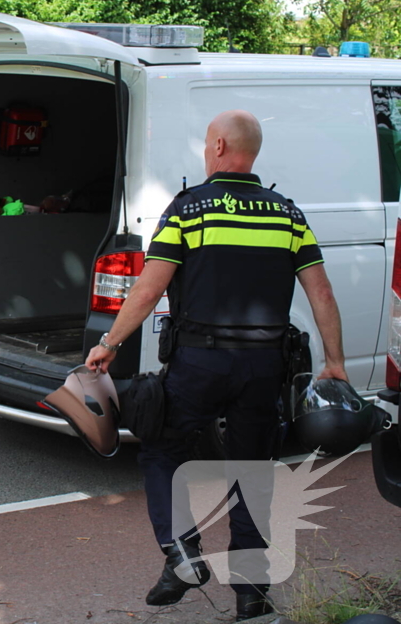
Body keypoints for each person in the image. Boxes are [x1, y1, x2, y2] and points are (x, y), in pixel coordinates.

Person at [85, 110, 347, 621]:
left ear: (222, 146)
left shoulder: (190, 211)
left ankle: (182, 554)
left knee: (163, 451)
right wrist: (334, 362)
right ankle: (252, 595)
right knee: (252, 471)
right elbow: (321, 291)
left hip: (199, 363)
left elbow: (150, 285)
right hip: (262, 366)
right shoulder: (287, 216)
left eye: (208, 145)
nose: (206, 153)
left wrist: (110, 343)